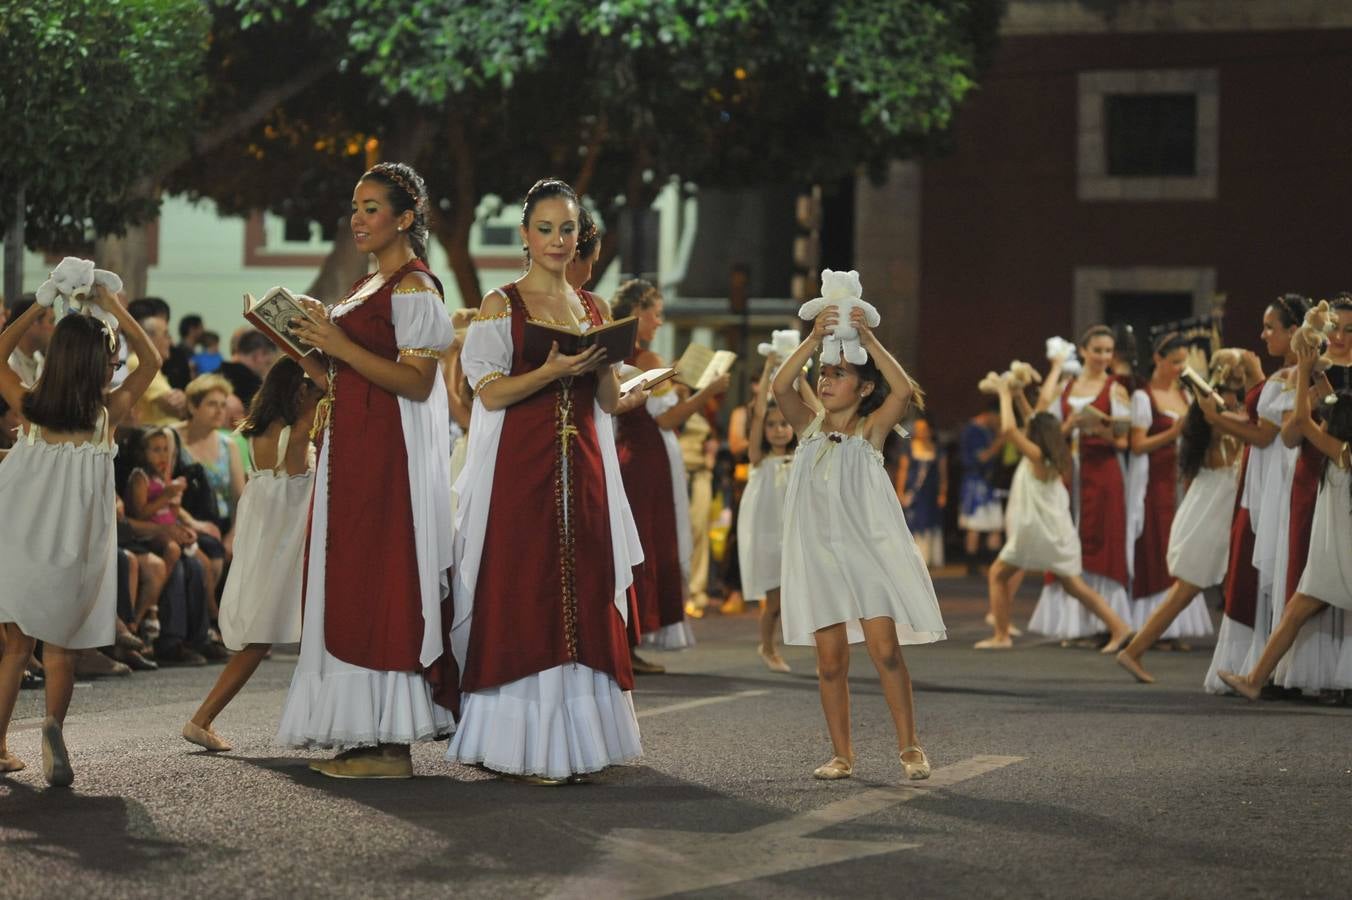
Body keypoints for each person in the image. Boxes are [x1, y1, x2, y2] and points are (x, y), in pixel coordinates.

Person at [449, 177, 644, 783]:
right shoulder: (500, 304)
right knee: (524, 585)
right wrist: (550, 371)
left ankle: (580, 742)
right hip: (521, 468)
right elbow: (489, 393)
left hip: (582, 465)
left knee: (583, 587)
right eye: (546, 229)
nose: (558, 241)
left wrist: (624, 378)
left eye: (568, 229)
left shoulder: (595, 308)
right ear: (525, 236)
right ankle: (518, 743)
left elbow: (607, 400)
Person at [278, 161, 457, 779]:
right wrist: (298, 343)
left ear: (405, 218)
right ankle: (364, 735)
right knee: (346, 584)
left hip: (386, 459)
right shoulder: (364, 285)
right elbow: (340, 375)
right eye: (354, 206)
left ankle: (388, 747)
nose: (358, 218)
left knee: (378, 582)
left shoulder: (414, 288)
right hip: (348, 449)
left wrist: (338, 343)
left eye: (372, 207)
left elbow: (417, 379)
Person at [774, 302, 945, 782]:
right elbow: (780, 387)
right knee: (830, 661)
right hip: (819, 557)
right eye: (823, 374)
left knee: (885, 648)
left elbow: (905, 390)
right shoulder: (807, 426)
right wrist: (810, 340)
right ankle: (841, 754)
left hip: (865, 552)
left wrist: (868, 342)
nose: (826, 382)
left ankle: (910, 746)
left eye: (839, 374)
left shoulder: (872, 431)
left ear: (864, 387)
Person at [0, 283, 160, 784]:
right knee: (61, 651)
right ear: (99, 364)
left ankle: (0, 744)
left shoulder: (27, 409)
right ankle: (52, 726)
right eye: (111, 356)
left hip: (22, 545)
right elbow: (151, 361)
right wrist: (114, 307)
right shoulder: (106, 416)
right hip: (74, 553)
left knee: (15, 649)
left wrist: (42, 305)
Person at [184, 358, 322, 752]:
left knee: (267, 641)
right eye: (313, 389)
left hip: (265, 545)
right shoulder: (298, 433)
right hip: (288, 549)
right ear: (300, 392)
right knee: (262, 642)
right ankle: (201, 718)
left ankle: (205, 718)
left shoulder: (259, 433)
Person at [1219, 346, 1352, 699]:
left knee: (1302, 601)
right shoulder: (1341, 450)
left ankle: (1254, 679)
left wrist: (1307, 368)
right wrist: (1318, 377)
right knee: (1302, 601)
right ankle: (1254, 679)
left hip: (1340, 530)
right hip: (1335, 529)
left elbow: (1303, 425)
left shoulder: (1340, 451)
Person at [612, 278, 729, 660]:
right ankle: (633, 637)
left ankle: (628, 638)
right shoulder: (646, 359)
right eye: (656, 314)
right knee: (648, 542)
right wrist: (707, 392)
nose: (659, 323)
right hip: (647, 460)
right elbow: (665, 420)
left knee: (636, 542)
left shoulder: (615, 354)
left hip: (628, 454)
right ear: (637, 313)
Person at [978, 374, 1132, 650]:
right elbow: (1034, 420)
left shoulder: (1036, 455)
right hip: (1057, 531)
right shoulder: (1055, 451)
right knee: (1074, 585)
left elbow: (1011, 431)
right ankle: (1119, 627)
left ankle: (1001, 635)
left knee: (997, 574)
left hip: (1036, 530)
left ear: (1036, 436)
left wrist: (1003, 394)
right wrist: (1018, 395)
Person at [1199, 297, 1307, 693]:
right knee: (1259, 565)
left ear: (1293, 330)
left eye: (1269, 327)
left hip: (1281, 479)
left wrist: (1215, 419)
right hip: (1263, 477)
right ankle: (1259, 660)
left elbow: (1264, 434)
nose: (1263, 335)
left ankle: (1271, 668)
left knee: (1276, 565)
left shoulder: (1300, 375)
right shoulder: (1283, 374)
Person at [1116, 360, 1247, 682]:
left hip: (1212, 516)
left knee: (1222, 588)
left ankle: (1246, 663)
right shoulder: (1217, 430)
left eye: (1235, 396)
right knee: (1186, 590)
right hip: (1208, 520)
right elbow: (1245, 426)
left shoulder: (1219, 428)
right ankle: (1133, 651)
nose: (1232, 402)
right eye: (1227, 396)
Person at [1266, 296, 1352, 694]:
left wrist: (1305, 374)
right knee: (1312, 582)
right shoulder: (1325, 378)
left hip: (1338, 476)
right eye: (1336, 328)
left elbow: (1305, 422)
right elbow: (1291, 432)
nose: (1340, 337)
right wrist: (1311, 376)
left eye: (1349, 330)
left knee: (1315, 587)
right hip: (1321, 479)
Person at [1028, 325, 1133, 642]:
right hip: (1068, 471)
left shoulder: (1117, 388)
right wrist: (1071, 425)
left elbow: (1125, 440)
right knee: (1066, 539)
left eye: (1108, 351)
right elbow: (1041, 418)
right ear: (1084, 351)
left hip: (1103, 473)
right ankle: (1071, 624)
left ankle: (1104, 621)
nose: (1103, 356)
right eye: (1097, 350)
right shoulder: (1066, 386)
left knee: (1102, 540)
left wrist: (1101, 431)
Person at [1125, 333, 1211, 642]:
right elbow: (1137, 446)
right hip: (1153, 482)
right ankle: (1153, 627)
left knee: (1180, 547)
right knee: (1156, 547)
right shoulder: (1143, 397)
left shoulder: (1186, 396)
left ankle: (1176, 625)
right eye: (1174, 362)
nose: (1179, 368)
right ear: (1158, 359)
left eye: (1183, 362)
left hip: (1182, 479)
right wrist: (1173, 431)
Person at [737, 351, 797, 672]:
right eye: (772, 425)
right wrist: (770, 368)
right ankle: (769, 647)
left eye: (784, 423)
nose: (777, 430)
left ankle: (826, 655)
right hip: (768, 535)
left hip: (795, 532)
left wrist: (797, 377)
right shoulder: (759, 460)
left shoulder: (801, 457)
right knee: (773, 601)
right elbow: (758, 412)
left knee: (807, 595)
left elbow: (814, 414)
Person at [957, 399, 1005, 570]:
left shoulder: (988, 431)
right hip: (976, 483)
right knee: (974, 525)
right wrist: (998, 444)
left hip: (990, 483)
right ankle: (972, 564)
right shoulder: (972, 431)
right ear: (991, 415)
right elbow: (981, 458)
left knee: (995, 525)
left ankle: (993, 563)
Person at [896, 414, 947, 568]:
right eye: (918, 429)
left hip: (930, 493)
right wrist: (900, 491)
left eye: (923, 429)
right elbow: (903, 470)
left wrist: (943, 493)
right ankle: (912, 559)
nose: (920, 432)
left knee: (929, 524)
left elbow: (943, 473)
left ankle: (928, 559)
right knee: (913, 523)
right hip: (913, 493)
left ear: (930, 430)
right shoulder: (908, 446)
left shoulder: (938, 449)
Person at [126, 301, 187, 426]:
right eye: (166, 334)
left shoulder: (150, 364)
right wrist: (187, 401)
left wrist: (185, 399)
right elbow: (173, 406)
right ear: (148, 339)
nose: (170, 341)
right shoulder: (138, 361)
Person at [218, 329, 278, 408]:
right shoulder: (253, 388)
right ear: (257, 356)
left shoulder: (212, 377)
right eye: (268, 363)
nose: (268, 370)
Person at [3, 296, 53, 387]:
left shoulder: (40, 360)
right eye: (51, 321)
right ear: (32, 322)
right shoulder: (8, 363)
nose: (55, 328)